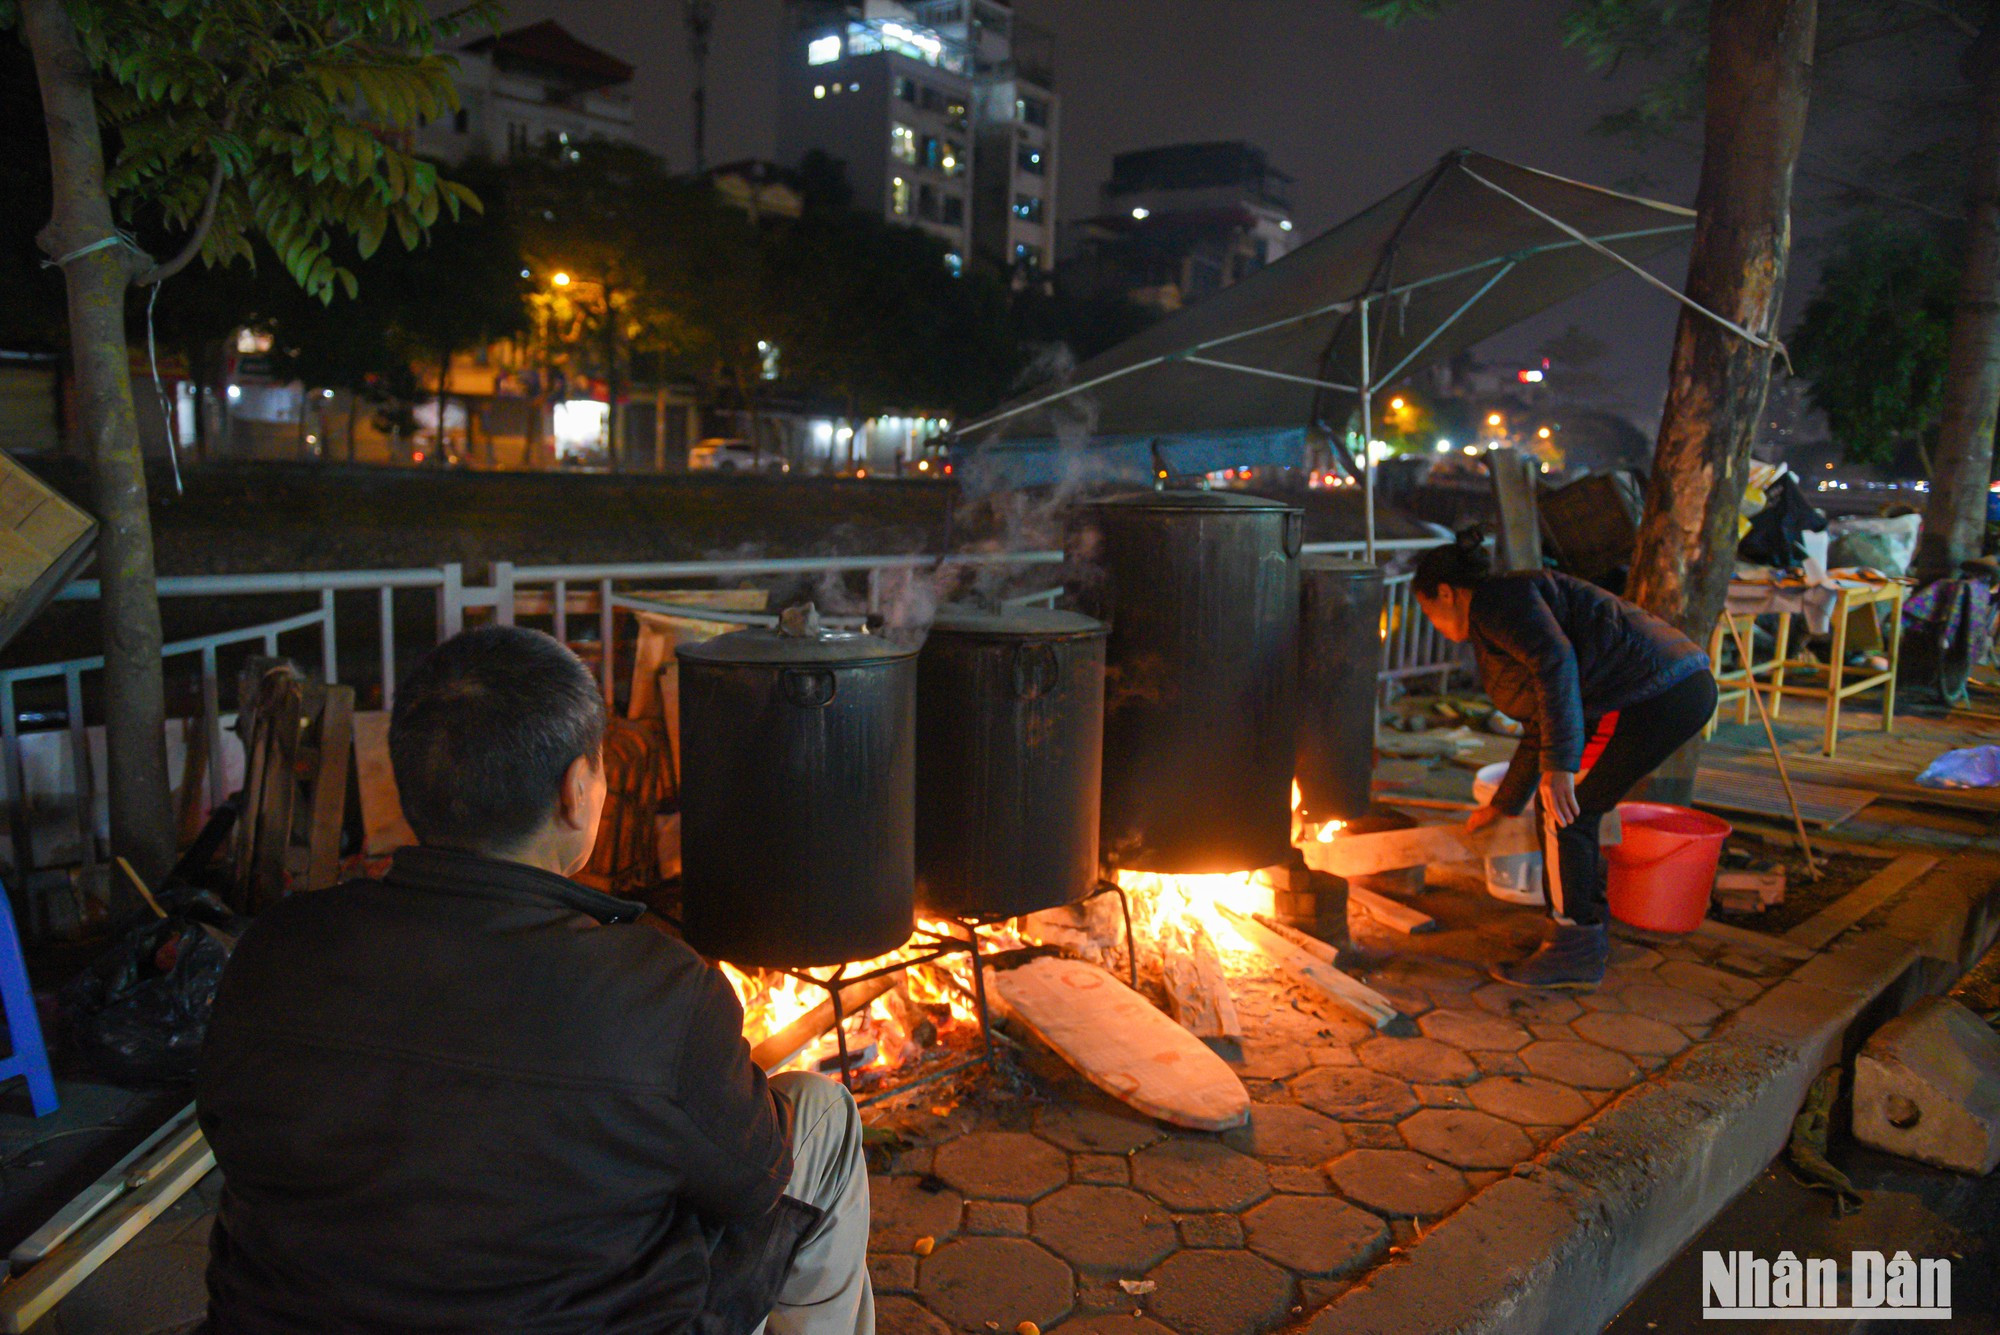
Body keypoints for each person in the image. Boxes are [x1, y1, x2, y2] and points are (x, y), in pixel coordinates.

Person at [196, 626, 872, 1334]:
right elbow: (752, 1184)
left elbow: (226, 1129)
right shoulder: (662, 992)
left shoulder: (274, 948)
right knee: (820, 1114)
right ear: (576, 792)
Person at [1412, 529, 1717, 989]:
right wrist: (1504, 803)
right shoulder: (1506, 608)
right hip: (1668, 690)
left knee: (1565, 813)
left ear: (1447, 593)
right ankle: (1585, 933)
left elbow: (1555, 665)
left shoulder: (1498, 602)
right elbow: (1541, 717)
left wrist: (1559, 767)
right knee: (1576, 811)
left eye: (1428, 611)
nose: (1433, 623)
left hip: (1658, 695)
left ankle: (1572, 949)